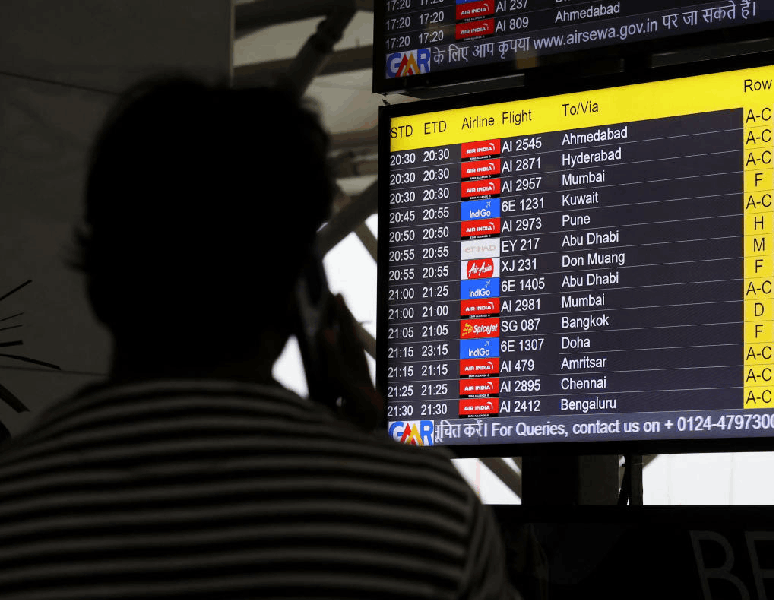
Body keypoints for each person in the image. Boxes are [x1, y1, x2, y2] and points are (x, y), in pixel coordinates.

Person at [0, 77, 515, 599]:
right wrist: (379, 442)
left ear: (97, 283)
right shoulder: (428, 513)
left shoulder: (16, 497)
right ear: (305, 291)